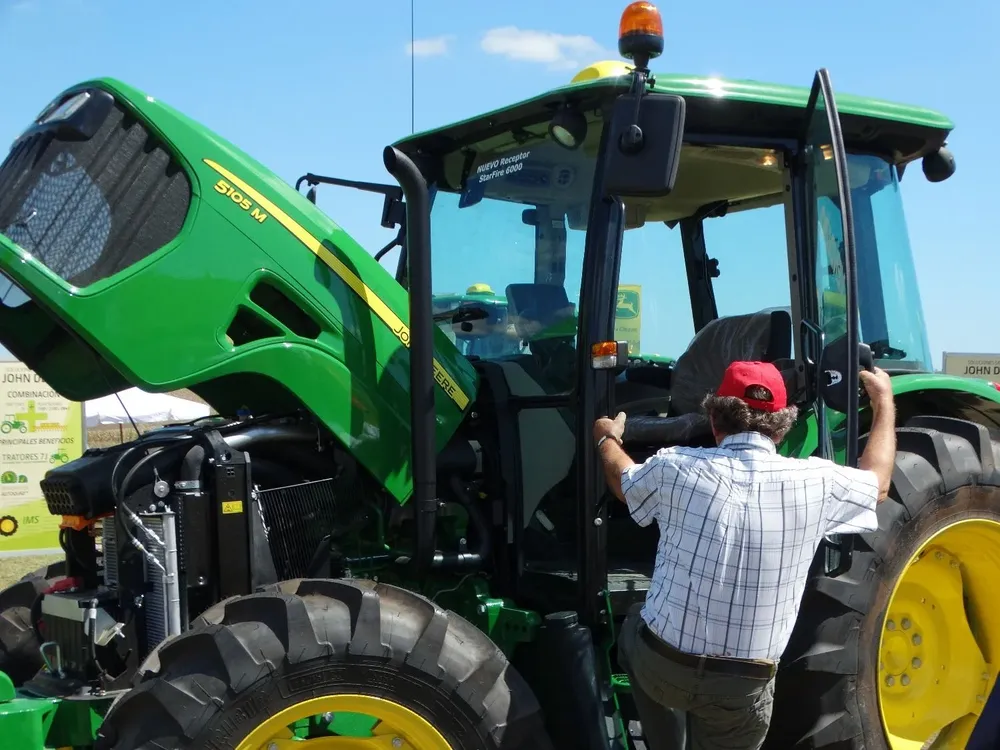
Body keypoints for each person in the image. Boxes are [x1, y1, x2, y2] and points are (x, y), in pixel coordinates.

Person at [593, 360, 896, 750]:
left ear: (715, 419)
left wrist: (606, 437)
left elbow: (622, 479)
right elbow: (880, 483)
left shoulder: (674, 466)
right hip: (742, 688)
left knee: (636, 626)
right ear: (783, 427)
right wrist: (884, 402)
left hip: (663, 668)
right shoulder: (819, 483)